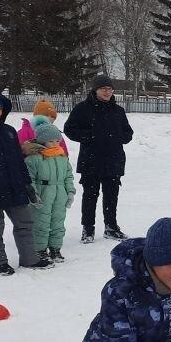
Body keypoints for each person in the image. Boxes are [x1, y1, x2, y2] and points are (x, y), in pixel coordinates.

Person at [0, 88, 52, 274]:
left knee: (25, 224)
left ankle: (29, 259)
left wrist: (27, 184)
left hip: (15, 188)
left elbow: (18, 162)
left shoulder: (9, 131)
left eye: (0, 108)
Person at [63, 75, 133, 244]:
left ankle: (111, 227)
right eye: (104, 89)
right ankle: (88, 229)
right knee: (90, 196)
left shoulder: (118, 111)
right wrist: (89, 136)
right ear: (95, 90)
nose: (107, 92)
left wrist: (118, 137)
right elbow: (69, 129)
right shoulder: (82, 109)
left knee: (111, 196)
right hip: (91, 160)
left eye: (110, 89)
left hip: (113, 160)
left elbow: (128, 133)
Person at [24, 116, 76, 263]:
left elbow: (68, 176)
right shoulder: (33, 158)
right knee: (41, 222)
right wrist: (34, 195)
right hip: (43, 193)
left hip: (60, 194)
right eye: (51, 141)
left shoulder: (62, 157)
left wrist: (70, 192)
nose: (54, 144)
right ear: (42, 141)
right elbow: (30, 179)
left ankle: (55, 248)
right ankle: (40, 250)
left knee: (58, 222)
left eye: (57, 141)